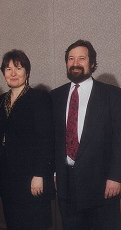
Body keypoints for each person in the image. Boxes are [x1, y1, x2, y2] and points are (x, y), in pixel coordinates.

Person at [50, 39, 121, 230]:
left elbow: (119, 140)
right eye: (71, 59)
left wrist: (116, 176)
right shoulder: (55, 97)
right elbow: (53, 140)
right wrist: (56, 173)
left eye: (81, 58)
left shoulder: (112, 95)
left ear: (92, 63)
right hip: (66, 186)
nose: (75, 63)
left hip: (103, 186)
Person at [0, 49, 54, 230]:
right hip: (8, 180)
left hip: (32, 178)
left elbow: (46, 139)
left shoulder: (39, 98)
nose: (13, 73)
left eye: (18, 68)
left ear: (27, 72)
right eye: (8, 69)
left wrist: (40, 175)